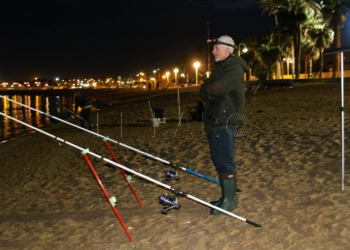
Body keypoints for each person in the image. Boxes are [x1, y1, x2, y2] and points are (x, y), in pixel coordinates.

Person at [200, 35, 248, 215]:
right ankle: (227, 197)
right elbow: (205, 91)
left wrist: (210, 89)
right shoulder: (220, 67)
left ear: (227, 48)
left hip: (226, 120)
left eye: (215, 47)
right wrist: (209, 89)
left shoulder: (234, 68)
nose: (212, 51)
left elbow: (218, 88)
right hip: (217, 120)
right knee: (219, 160)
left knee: (225, 160)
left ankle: (229, 201)